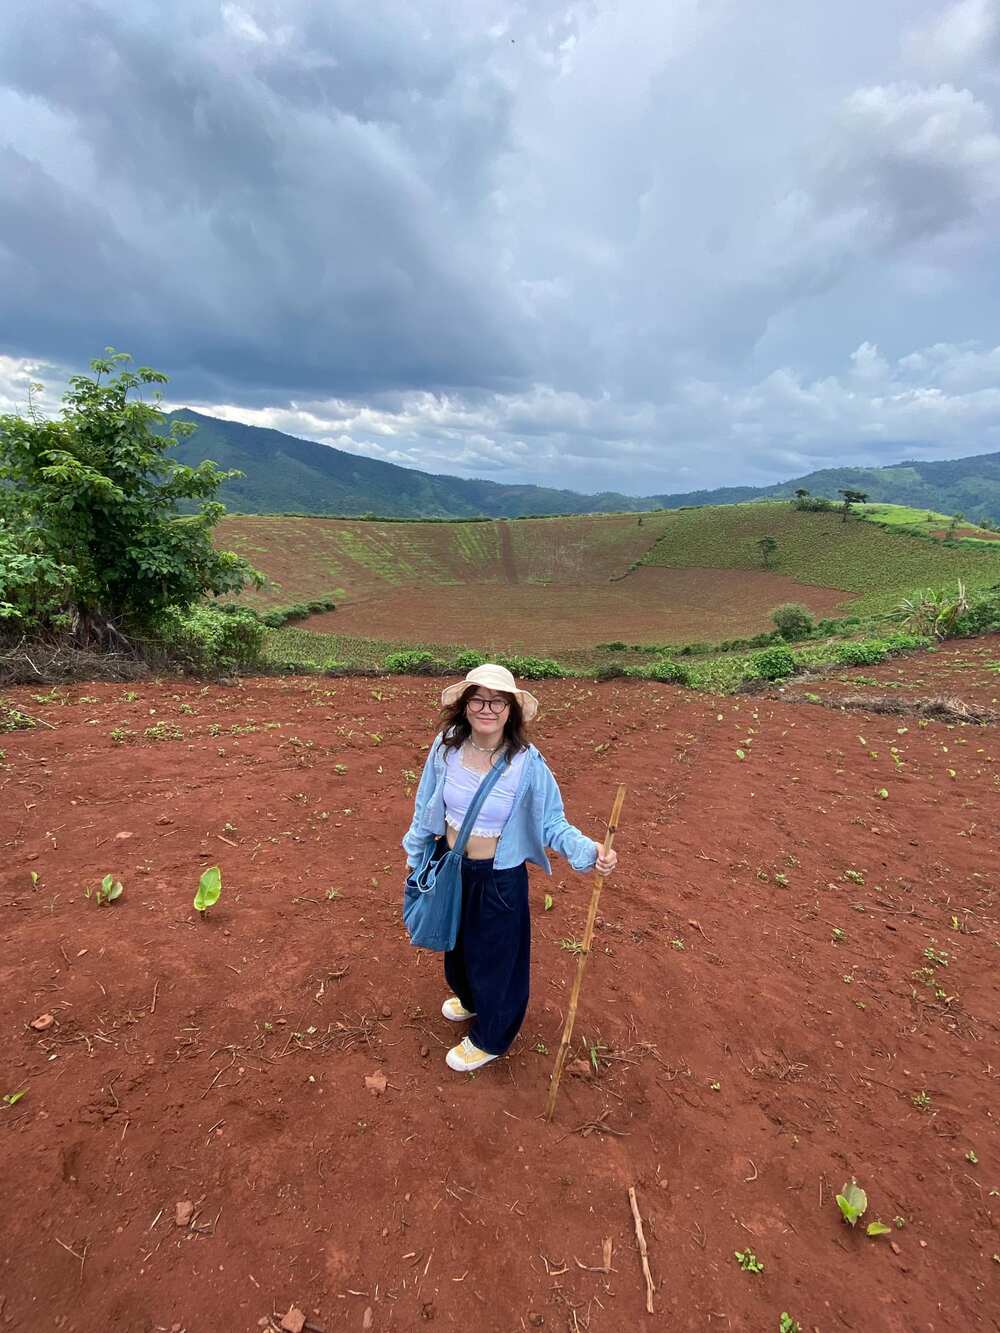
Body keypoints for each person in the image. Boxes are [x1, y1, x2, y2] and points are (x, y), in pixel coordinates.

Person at [402, 663, 618, 1073]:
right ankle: (468, 999)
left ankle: (492, 1038)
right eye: (479, 699)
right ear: (465, 706)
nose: (487, 708)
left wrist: (590, 850)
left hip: (499, 878)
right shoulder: (445, 746)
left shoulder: (527, 763)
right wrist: (416, 858)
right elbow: (424, 804)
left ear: (511, 711)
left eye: (497, 701)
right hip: (452, 866)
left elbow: (551, 821)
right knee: (456, 945)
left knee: (497, 959)